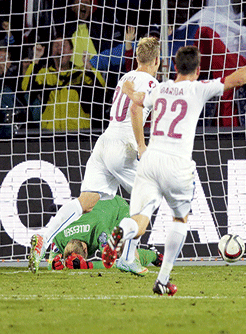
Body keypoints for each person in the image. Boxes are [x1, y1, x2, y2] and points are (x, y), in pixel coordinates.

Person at [105, 42, 246, 296]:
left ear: (173, 66)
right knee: (180, 219)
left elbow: (136, 99)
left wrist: (127, 85)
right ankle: (162, 279)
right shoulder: (198, 89)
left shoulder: (161, 88)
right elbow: (238, 79)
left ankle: (123, 230)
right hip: (176, 164)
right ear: (198, 70)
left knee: (140, 222)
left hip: (150, 160)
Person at [28, 37, 161, 274]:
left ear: (137, 58)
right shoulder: (151, 82)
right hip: (124, 146)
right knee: (148, 201)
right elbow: (135, 108)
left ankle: (44, 238)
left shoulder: (126, 78)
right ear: (157, 61)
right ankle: (127, 256)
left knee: (87, 201)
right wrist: (141, 145)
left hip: (104, 142)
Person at [46, 196, 163, 274]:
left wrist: (88, 265)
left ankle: (154, 255)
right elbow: (51, 262)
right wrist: (56, 265)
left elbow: (111, 262)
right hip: (98, 209)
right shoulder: (59, 236)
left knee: (127, 258)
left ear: (86, 249)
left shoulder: (98, 230)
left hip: (117, 209)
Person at [20, 37, 106, 131]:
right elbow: (25, 88)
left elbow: (102, 89)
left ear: (71, 51)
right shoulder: (44, 74)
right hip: (50, 132)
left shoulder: (81, 73)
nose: (60, 48)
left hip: (78, 131)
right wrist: (36, 59)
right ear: (52, 53)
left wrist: (89, 67)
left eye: (64, 45)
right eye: (56, 46)